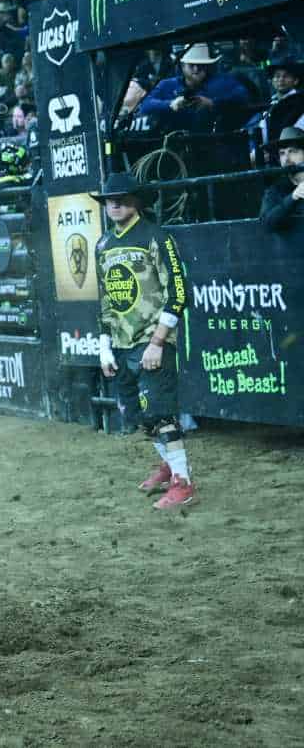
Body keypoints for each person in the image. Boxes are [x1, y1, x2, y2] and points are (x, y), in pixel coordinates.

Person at [95, 172, 195, 510]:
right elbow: (106, 300)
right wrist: (104, 345)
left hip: (154, 341)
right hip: (122, 344)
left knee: (162, 414)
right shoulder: (103, 245)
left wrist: (158, 341)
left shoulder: (156, 237)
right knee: (141, 417)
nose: (115, 203)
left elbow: (178, 292)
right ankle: (169, 466)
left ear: (136, 200)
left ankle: (184, 483)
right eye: (110, 198)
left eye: (122, 197)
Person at [137, 43, 250, 134]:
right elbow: (145, 106)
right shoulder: (167, 85)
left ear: (207, 65)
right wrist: (171, 104)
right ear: (182, 66)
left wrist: (211, 103)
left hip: (214, 142)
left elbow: (243, 95)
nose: (196, 69)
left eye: (200, 64)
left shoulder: (222, 81)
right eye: (191, 65)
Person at [260, 127, 304, 232]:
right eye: (282, 153)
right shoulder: (276, 189)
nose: (286, 158)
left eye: (292, 151)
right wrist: (294, 196)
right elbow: (266, 224)